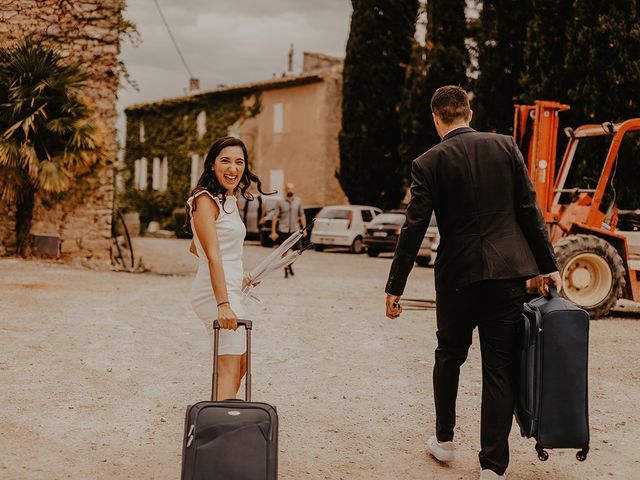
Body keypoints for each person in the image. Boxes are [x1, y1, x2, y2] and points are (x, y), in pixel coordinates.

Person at [384, 86, 562, 480]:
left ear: (436, 117)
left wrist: (394, 285)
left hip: (457, 278)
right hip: (506, 276)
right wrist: (548, 266)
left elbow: (413, 227)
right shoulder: (506, 146)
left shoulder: (428, 161)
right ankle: (493, 467)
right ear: (469, 111)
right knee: (499, 366)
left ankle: (444, 442)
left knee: (449, 355)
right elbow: (529, 209)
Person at [185, 136, 270, 400]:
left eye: (239, 162)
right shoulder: (204, 200)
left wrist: (239, 276)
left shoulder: (227, 200)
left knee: (241, 363)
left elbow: (194, 247)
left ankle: (223, 421)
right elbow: (211, 255)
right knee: (229, 367)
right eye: (225, 161)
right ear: (212, 165)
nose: (233, 168)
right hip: (214, 294)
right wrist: (223, 303)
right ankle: (219, 431)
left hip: (229, 288)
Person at [270, 183, 307, 278]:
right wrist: (273, 232)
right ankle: (286, 270)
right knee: (284, 252)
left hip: (295, 230)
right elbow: (275, 216)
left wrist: (304, 228)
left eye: (291, 189)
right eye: (288, 189)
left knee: (299, 251)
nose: (290, 191)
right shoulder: (280, 202)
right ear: (285, 190)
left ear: (294, 190)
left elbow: (302, 215)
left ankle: (289, 265)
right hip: (283, 230)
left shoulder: (298, 201)